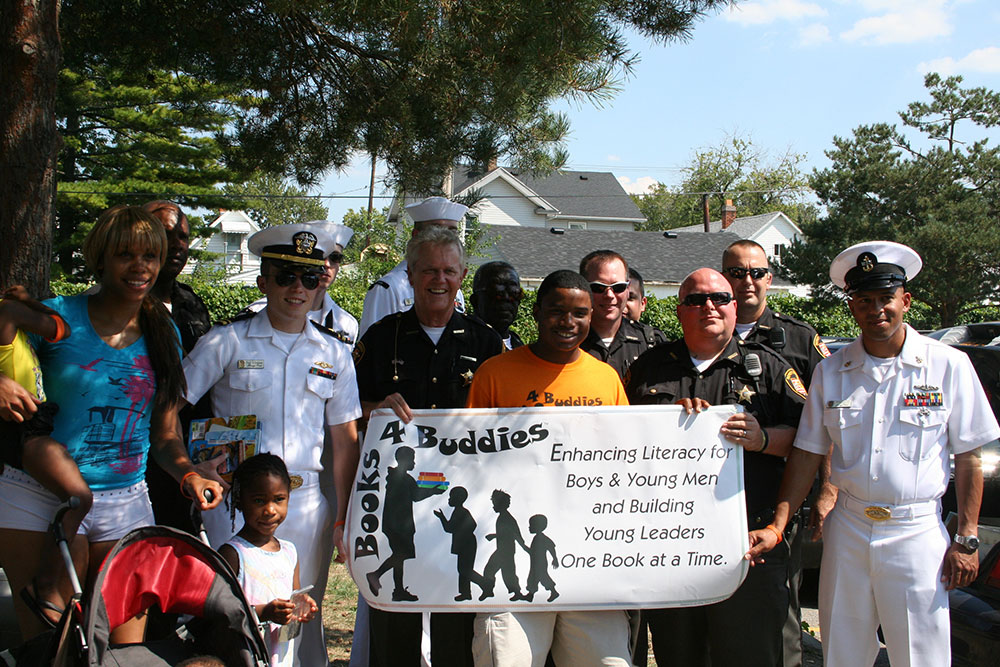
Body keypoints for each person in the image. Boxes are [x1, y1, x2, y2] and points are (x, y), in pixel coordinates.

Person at [747, 241, 999, 667]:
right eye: (865, 300)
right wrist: (778, 522)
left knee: (921, 654)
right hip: (849, 528)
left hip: (915, 531)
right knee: (844, 651)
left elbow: (970, 456)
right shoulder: (831, 372)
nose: (876, 309)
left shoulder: (948, 365)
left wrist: (967, 538)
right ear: (852, 306)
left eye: (886, 298)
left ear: (906, 300)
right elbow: (808, 454)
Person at [0, 205, 222, 642]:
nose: (140, 267)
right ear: (100, 258)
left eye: (151, 257)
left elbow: (162, 434)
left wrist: (188, 474)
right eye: (126, 255)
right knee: (47, 647)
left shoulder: (166, 333)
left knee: (123, 649)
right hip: (36, 497)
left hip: (125, 505)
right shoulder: (57, 316)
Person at [183, 222, 361, 667]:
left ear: (322, 282)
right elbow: (170, 404)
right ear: (263, 282)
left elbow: (345, 440)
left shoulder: (334, 353)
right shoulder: (226, 340)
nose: (297, 289)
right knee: (237, 612)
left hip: (304, 506)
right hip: (238, 507)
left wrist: (344, 514)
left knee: (303, 614)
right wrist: (189, 464)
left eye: (309, 278)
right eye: (284, 276)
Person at [623, 268, 807, 667]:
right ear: (679, 311)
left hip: (749, 544)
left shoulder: (771, 368)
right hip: (671, 544)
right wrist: (662, 427)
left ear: (734, 307)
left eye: (719, 298)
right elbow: (619, 445)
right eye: (695, 299)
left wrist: (762, 439)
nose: (708, 306)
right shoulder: (647, 369)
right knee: (679, 656)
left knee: (751, 656)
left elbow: (809, 445)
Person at [466, 268, 632, 667]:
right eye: (557, 311)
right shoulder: (495, 373)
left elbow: (628, 459)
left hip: (589, 557)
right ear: (537, 312)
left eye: (580, 313)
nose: (568, 322)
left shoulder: (606, 379)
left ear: (591, 317)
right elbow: (467, 461)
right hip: (511, 561)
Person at [354, 225, 503, 666]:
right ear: (411, 275)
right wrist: (378, 407)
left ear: (461, 276)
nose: (440, 280)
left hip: (459, 498)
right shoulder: (382, 338)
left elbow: (501, 418)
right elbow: (344, 408)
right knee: (397, 615)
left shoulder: (486, 341)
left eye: (449, 271)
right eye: (429, 270)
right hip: (395, 498)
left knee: (454, 617)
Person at [720, 239, 831, 667]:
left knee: (781, 610)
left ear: (770, 277)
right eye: (736, 272)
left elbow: (828, 428)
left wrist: (827, 492)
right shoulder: (708, 328)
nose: (747, 281)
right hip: (717, 497)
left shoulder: (801, 340)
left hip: (781, 497)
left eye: (756, 272)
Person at [0, 287, 91, 630]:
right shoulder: (8, 312)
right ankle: (48, 586)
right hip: (27, 429)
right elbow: (60, 328)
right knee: (79, 497)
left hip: (26, 425)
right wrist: (27, 303)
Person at [141, 200, 216, 534]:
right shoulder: (115, 306)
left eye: (183, 237)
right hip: (135, 459)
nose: (177, 245)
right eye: (165, 233)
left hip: (186, 456)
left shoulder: (191, 303)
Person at [220, 453, 318, 667]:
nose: (270, 510)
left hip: (281, 656)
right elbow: (220, 614)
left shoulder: (289, 552)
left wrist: (301, 608)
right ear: (239, 500)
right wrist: (264, 612)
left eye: (279, 499)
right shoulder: (233, 554)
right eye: (258, 500)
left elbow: (293, 597)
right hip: (243, 657)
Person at [358, 196, 468, 337]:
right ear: (416, 235)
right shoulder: (389, 288)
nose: (444, 237)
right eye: (437, 230)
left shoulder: (454, 289)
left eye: (452, 231)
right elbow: (373, 344)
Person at [241, 220, 358, 347]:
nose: (327, 265)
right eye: (320, 258)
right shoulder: (254, 313)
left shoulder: (346, 324)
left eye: (335, 257)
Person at [366, 445, 447, 601]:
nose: (414, 463)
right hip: (398, 525)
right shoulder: (400, 477)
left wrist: (433, 490)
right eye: (412, 459)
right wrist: (433, 490)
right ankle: (376, 574)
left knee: (400, 557)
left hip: (398, 524)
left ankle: (398, 591)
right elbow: (416, 495)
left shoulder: (399, 476)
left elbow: (415, 494)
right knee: (401, 554)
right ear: (404, 460)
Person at [578, 250, 665, 379]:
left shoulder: (651, 343)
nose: (609, 295)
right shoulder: (569, 342)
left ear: (627, 288)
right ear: (583, 288)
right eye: (599, 288)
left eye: (618, 287)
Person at [434, 486, 491, 602]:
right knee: (463, 569)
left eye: (451, 497)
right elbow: (451, 528)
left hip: (467, 544)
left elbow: (454, 527)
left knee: (465, 570)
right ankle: (466, 593)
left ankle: (486, 584)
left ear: (458, 498)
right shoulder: (458, 511)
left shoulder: (461, 512)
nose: (449, 499)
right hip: (464, 543)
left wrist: (442, 518)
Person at [471, 261, 524, 349]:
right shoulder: (459, 346)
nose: (506, 298)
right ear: (475, 300)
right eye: (497, 292)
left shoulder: (521, 349)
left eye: (513, 292)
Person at [524, 514, 558, 603]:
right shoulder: (536, 538)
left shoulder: (542, 538)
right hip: (535, 563)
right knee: (532, 578)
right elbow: (532, 552)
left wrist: (555, 559)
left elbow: (551, 547)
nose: (529, 527)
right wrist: (523, 546)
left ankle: (553, 592)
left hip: (540, 563)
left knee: (543, 577)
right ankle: (530, 595)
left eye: (531, 525)